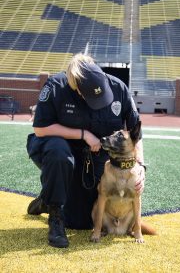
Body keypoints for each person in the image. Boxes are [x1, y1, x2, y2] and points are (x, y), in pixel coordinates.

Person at [26, 53, 146, 248]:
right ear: (76, 88)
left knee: (82, 222)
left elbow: (135, 134)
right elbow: (40, 129)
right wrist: (83, 134)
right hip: (62, 151)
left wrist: (140, 165)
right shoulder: (55, 87)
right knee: (59, 154)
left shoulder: (118, 88)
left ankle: (46, 199)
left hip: (96, 156)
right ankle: (55, 213)